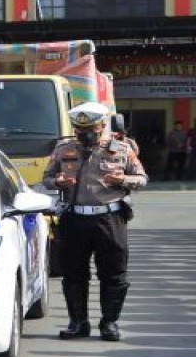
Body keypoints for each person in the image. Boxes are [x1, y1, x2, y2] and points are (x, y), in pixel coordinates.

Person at [43, 101, 147, 342]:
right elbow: (46, 179)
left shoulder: (122, 149)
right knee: (73, 274)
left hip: (109, 218)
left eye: (91, 130)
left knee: (113, 273)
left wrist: (123, 180)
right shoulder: (63, 149)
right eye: (80, 130)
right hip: (74, 217)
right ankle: (78, 323)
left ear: (102, 126)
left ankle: (109, 323)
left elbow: (142, 178)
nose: (85, 135)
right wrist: (58, 181)